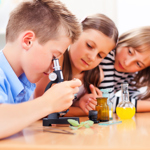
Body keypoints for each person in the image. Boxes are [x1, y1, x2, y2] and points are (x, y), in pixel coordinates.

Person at [0, 0, 82, 139]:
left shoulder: (25, 82)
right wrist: (48, 102)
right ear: (28, 41)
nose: (53, 68)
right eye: (54, 57)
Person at [35, 14, 118, 116]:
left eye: (100, 55)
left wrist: (82, 103)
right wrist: (86, 111)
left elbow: (64, 109)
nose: (92, 57)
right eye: (89, 46)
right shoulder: (54, 62)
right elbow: (43, 110)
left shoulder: (96, 75)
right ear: (75, 35)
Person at [99, 26, 150, 113]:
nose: (127, 63)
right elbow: (107, 102)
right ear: (122, 40)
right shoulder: (107, 55)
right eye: (130, 52)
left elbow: (132, 98)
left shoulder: (132, 72)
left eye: (138, 64)